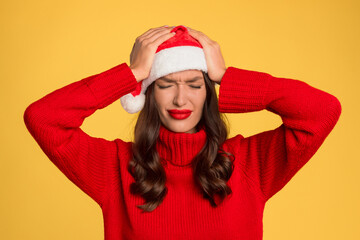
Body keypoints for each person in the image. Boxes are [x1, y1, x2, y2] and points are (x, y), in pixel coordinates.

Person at [23, 25, 342, 240]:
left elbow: (321, 111)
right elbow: (43, 118)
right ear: (149, 93)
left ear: (209, 92)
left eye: (194, 84)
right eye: (165, 84)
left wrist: (227, 77)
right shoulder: (115, 168)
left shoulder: (249, 164)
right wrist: (131, 74)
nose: (180, 99)